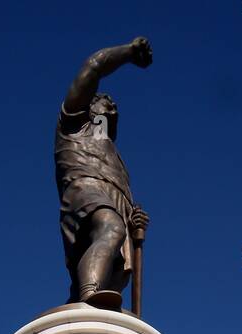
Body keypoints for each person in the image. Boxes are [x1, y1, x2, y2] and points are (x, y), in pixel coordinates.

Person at [55, 38, 152, 307]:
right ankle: (89, 297)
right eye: (104, 100)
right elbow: (94, 66)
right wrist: (129, 52)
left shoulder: (113, 154)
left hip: (115, 199)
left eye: (114, 104)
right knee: (110, 228)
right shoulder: (74, 124)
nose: (112, 105)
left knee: (116, 272)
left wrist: (136, 220)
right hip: (85, 189)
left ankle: (86, 301)